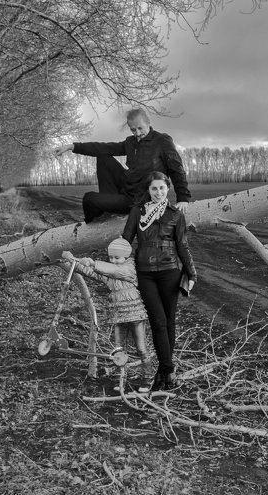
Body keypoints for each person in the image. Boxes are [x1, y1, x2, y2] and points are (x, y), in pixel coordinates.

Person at [122, 172, 197, 392]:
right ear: (149, 190)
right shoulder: (138, 212)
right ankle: (169, 370)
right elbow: (126, 240)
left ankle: (163, 373)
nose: (158, 192)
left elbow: (182, 246)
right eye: (154, 189)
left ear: (168, 189)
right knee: (158, 321)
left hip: (170, 272)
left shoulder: (175, 214)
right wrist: (115, 261)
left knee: (169, 321)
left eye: (162, 188)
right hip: (145, 273)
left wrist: (192, 274)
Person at [54, 108, 193, 223]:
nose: (137, 133)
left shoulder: (162, 141)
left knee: (89, 198)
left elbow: (176, 169)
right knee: (103, 156)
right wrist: (72, 146)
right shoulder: (130, 142)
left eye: (140, 128)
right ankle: (107, 211)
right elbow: (103, 147)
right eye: (133, 130)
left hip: (139, 199)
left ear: (148, 123)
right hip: (127, 188)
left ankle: (103, 214)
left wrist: (183, 199)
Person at [65, 240, 153, 392]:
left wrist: (93, 263)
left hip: (135, 316)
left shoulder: (130, 268)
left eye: (117, 258)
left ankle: (148, 378)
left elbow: (112, 270)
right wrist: (73, 260)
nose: (113, 260)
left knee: (141, 348)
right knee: (119, 350)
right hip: (119, 316)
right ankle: (121, 380)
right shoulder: (109, 273)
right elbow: (91, 272)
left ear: (126, 256)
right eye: (111, 257)